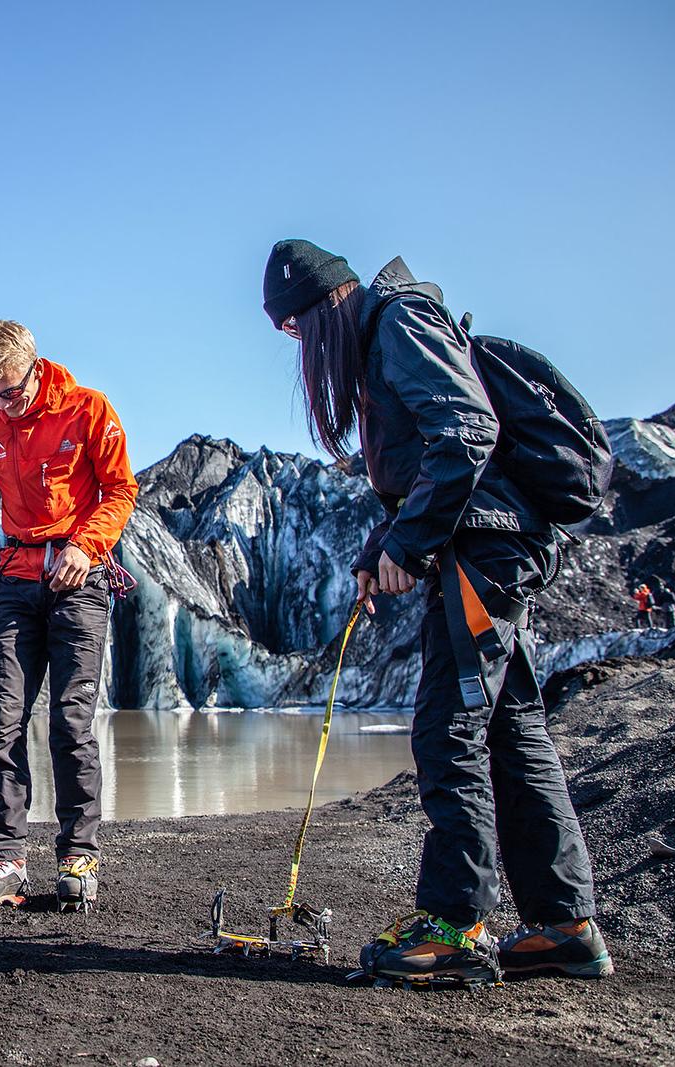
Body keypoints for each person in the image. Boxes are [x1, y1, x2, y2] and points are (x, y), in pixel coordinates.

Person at [264, 240, 610, 986]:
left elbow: (467, 432)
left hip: (479, 553)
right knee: (513, 728)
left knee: (445, 726)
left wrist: (413, 545)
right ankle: (563, 925)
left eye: (293, 329)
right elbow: (424, 462)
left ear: (323, 303)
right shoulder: (389, 329)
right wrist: (380, 546)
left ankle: (455, 923)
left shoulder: (398, 323)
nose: (294, 345)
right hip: (484, 548)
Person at [0, 320, 137, 915]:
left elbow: (121, 491)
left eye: (9, 391)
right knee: (2, 722)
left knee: (70, 722)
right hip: (16, 584)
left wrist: (86, 546)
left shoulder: (88, 409)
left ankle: (79, 854)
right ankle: (5, 859)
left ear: (34, 368)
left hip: (80, 582)